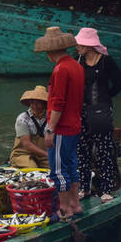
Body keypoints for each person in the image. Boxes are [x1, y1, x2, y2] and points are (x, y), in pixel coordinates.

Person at [33, 26, 84, 219]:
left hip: (62, 128)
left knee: (58, 170)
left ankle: (64, 208)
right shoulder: (77, 66)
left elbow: (58, 103)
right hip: (74, 125)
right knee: (71, 165)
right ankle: (75, 204)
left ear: (49, 51)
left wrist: (50, 128)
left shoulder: (60, 69)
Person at [75, 27, 121, 200]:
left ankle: (106, 190)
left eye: (80, 44)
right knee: (82, 150)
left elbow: (119, 84)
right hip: (82, 111)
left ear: (89, 45)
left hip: (101, 113)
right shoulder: (78, 61)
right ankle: (84, 188)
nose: (77, 47)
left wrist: (105, 98)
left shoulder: (106, 61)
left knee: (104, 150)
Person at [8, 85, 50, 169]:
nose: (34, 106)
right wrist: (47, 154)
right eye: (32, 103)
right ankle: (14, 163)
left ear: (44, 104)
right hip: (23, 153)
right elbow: (26, 144)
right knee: (33, 169)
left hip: (43, 155)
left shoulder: (51, 118)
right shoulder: (22, 118)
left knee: (56, 167)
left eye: (38, 103)